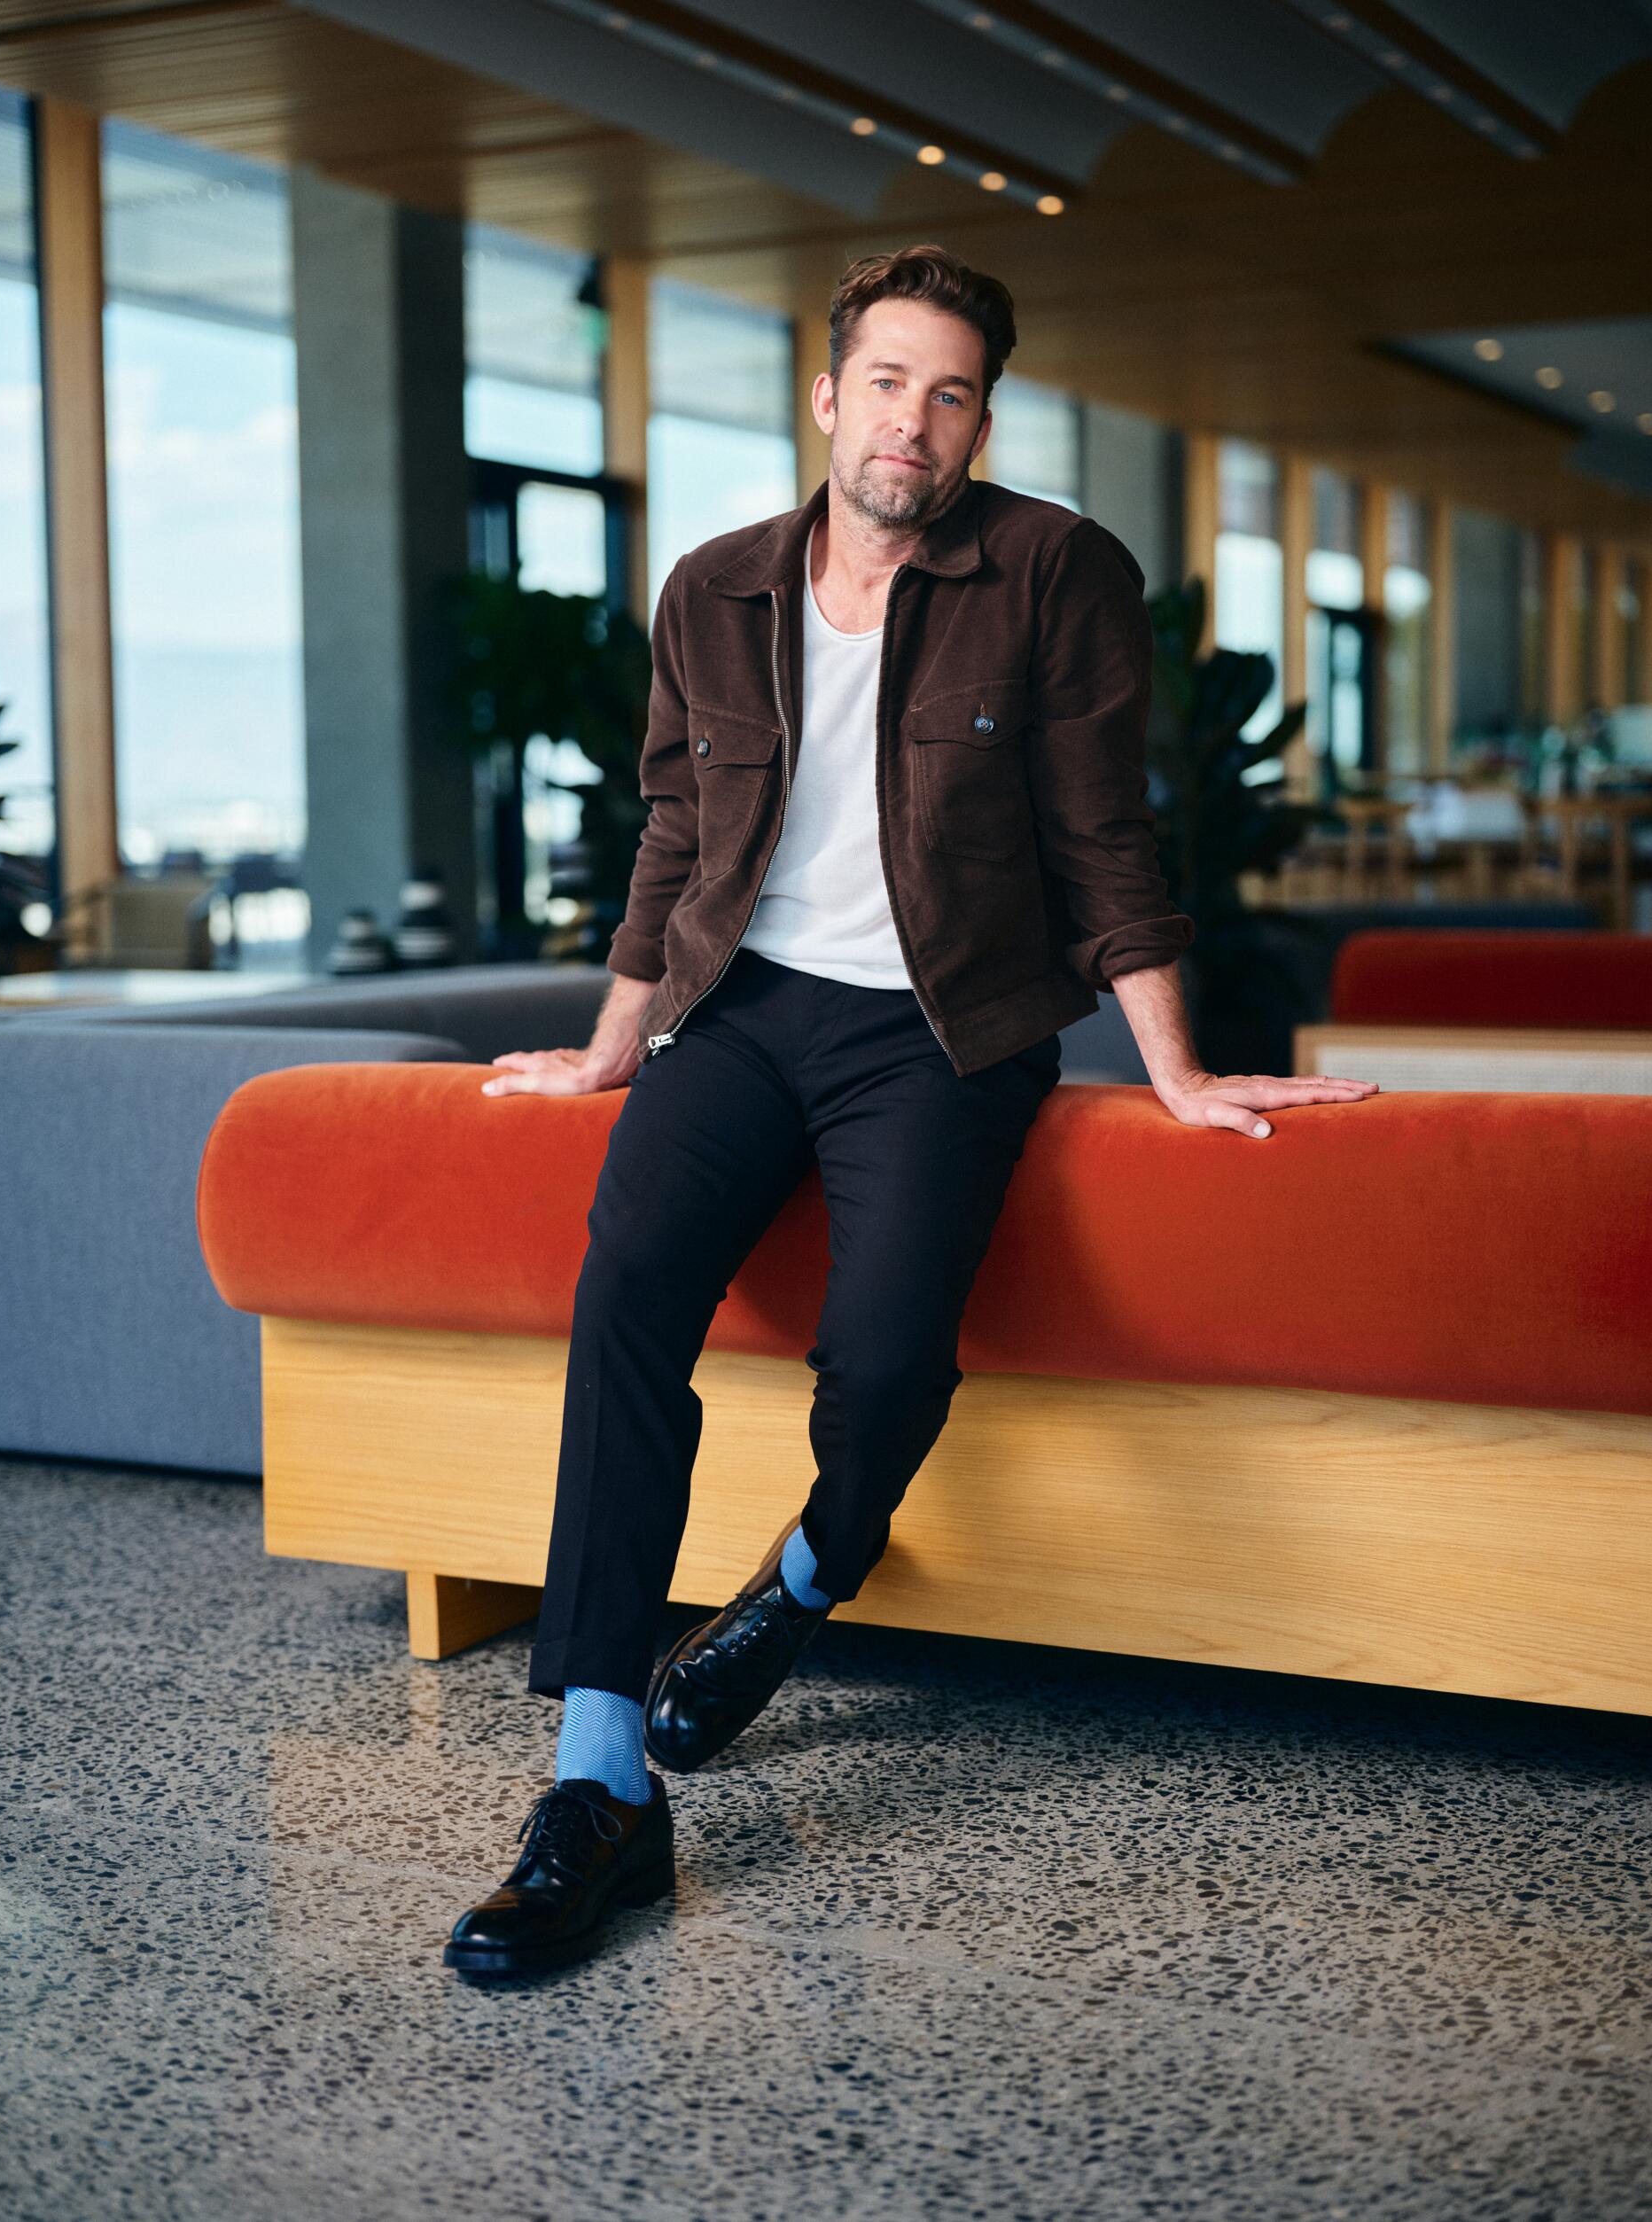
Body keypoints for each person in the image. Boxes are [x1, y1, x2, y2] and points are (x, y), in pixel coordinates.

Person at [442, 246, 1378, 1978]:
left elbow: (1106, 836)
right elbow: (670, 837)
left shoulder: (1052, 572)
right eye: (886, 379)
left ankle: (802, 1574)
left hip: (940, 1034)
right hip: (736, 1016)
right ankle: (592, 1784)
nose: (913, 420)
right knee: (630, 1276)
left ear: (980, 418)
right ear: (826, 394)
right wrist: (603, 1046)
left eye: (950, 391)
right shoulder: (716, 588)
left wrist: (1173, 1067)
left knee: (882, 1357)